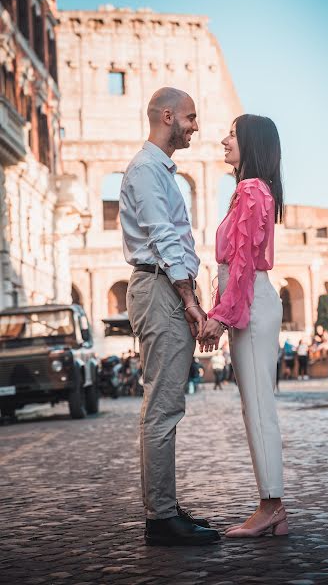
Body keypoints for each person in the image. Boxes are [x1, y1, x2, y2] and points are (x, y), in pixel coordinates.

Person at [120, 87, 220, 546]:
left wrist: (188, 292)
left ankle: (163, 505)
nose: (196, 126)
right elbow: (162, 237)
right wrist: (190, 300)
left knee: (166, 405)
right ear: (167, 116)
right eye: (191, 117)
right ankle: (161, 520)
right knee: (161, 407)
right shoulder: (146, 169)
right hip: (160, 287)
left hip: (165, 286)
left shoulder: (158, 170)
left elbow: (172, 240)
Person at [199, 114, 287, 538]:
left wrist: (221, 316)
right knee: (255, 404)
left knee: (259, 407)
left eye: (232, 134)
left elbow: (243, 264)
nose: (223, 140)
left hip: (251, 298)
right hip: (250, 299)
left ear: (251, 143)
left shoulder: (252, 190)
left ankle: (271, 506)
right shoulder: (249, 190)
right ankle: (273, 508)